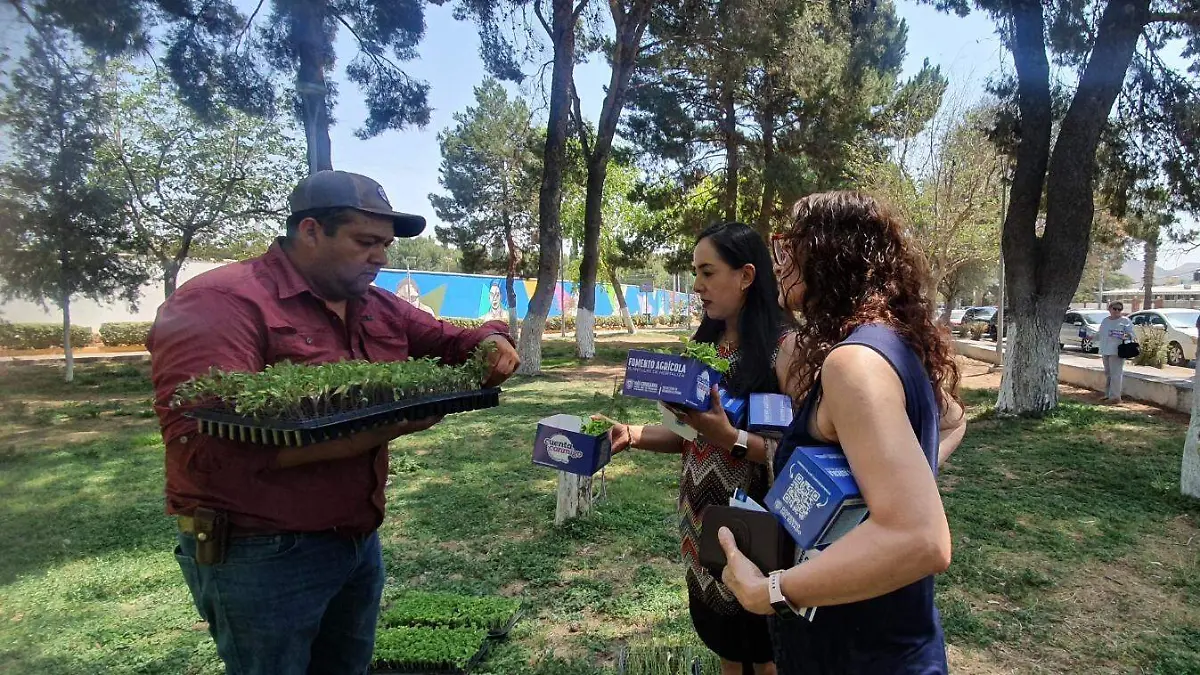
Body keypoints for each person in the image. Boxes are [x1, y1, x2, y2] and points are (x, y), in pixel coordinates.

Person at [146, 170, 520, 675]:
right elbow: (204, 447)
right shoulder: (222, 301)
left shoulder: (374, 304)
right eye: (365, 242)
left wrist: (492, 340)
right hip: (260, 550)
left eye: (385, 245)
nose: (381, 258)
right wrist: (388, 425)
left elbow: (451, 341)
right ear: (309, 231)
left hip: (356, 540)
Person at [717, 191, 966, 674]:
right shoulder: (892, 342)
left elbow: (922, 538)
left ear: (830, 254)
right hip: (886, 637)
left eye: (789, 245)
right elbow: (954, 418)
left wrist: (771, 591)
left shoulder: (853, 362)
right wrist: (898, 482)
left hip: (862, 653)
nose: (780, 260)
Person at [607, 222, 795, 675]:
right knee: (726, 648)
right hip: (701, 526)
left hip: (758, 536)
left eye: (708, 272)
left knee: (764, 656)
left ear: (746, 276)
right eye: (695, 272)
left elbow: (791, 452)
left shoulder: (783, 351)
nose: (697, 286)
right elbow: (688, 435)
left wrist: (728, 437)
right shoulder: (705, 350)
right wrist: (631, 434)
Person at [1098, 302, 1135, 404]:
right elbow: (1100, 333)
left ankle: (1115, 397)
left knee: (1116, 374)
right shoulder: (1105, 321)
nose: (1117, 311)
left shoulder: (1125, 321)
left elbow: (1131, 335)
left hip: (1117, 351)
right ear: (1110, 309)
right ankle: (1108, 394)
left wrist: (1123, 335)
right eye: (1115, 309)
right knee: (1108, 374)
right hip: (1105, 350)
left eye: (1119, 309)